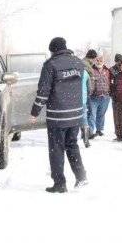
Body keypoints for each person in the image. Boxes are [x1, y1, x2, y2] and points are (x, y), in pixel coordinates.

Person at [30, 37, 87, 193]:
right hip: (75, 114)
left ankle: (59, 183)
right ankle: (81, 176)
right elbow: (79, 85)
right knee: (72, 144)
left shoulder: (50, 65)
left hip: (58, 116)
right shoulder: (78, 63)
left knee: (56, 149)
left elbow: (43, 91)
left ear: (52, 50)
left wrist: (35, 111)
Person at [88, 55, 111, 137]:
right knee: (92, 114)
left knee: (101, 114)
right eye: (97, 60)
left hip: (105, 97)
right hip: (93, 97)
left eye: (101, 61)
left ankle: (99, 130)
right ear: (95, 61)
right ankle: (90, 131)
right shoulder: (91, 69)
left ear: (103, 62)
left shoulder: (107, 70)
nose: (99, 62)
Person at [80, 68, 92, 148]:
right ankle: (86, 140)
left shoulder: (68, 71)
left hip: (70, 101)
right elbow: (89, 87)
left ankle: (69, 138)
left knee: (71, 120)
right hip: (82, 100)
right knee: (84, 119)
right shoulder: (85, 72)